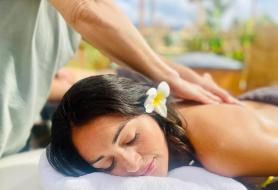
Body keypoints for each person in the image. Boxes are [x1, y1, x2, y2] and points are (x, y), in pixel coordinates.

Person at [47, 74, 278, 190]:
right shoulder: (169, 133)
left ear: (152, 110)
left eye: (131, 139)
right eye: (107, 164)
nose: (132, 165)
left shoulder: (220, 148)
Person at [0, 0, 235, 158]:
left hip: (13, 142)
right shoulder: (83, 10)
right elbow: (86, 10)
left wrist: (180, 75)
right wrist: (169, 77)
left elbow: (29, 76)